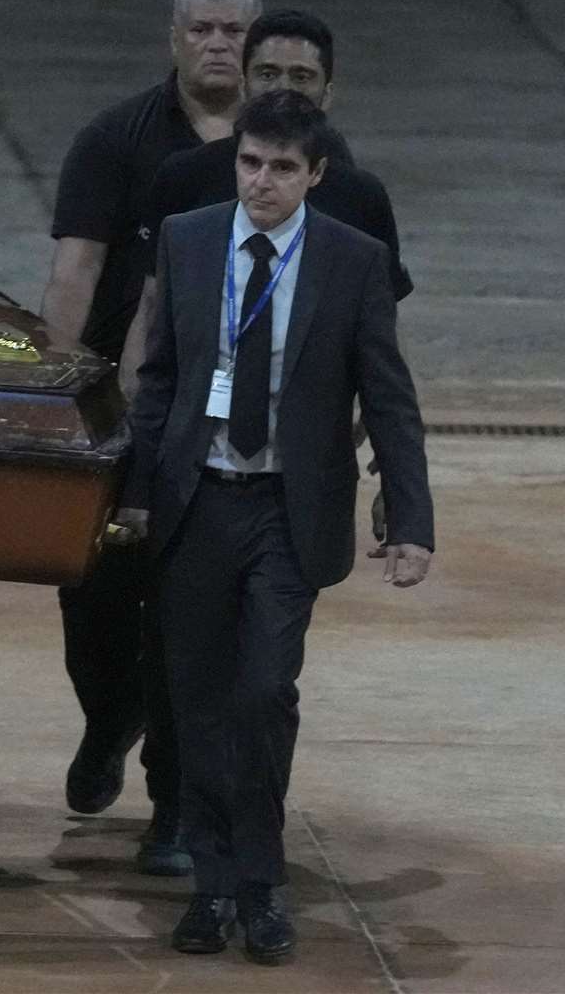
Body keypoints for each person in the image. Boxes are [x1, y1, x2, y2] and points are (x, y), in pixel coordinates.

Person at [116, 91, 434, 964]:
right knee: (199, 703)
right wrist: (135, 494)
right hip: (197, 500)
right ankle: (215, 886)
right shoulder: (187, 240)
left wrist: (411, 517)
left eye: (283, 168)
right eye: (251, 162)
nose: (262, 181)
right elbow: (160, 380)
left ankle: (261, 882)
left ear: (316, 174)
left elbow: (390, 397)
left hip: (288, 511)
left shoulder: (352, 260)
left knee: (263, 693)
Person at [39, 0, 262, 876]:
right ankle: (108, 718)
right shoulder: (115, 139)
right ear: (174, 38)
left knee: (191, 608)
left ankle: (173, 805)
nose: (218, 45)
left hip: (229, 413)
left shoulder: (282, 147)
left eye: (233, 31)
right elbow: (75, 271)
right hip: (120, 399)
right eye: (202, 29)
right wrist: (55, 394)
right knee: (89, 590)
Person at [126, 10, 414, 540]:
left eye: (302, 77)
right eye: (268, 73)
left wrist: (393, 481)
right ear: (243, 79)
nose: (284, 89)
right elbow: (150, 323)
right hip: (192, 455)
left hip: (300, 459)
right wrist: (132, 468)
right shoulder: (186, 179)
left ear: (328, 93)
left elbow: (383, 348)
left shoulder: (359, 197)